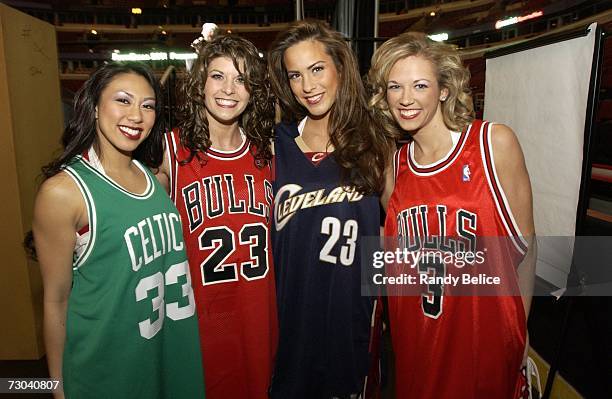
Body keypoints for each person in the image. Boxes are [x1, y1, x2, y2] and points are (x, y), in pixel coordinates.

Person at [368, 32, 536, 398]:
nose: (406, 98)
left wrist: (519, 329)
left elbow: (525, 249)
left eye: (420, 85)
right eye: (395, 86)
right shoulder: (393, 167)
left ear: (444, 90)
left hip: (482, 344)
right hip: (417, 344)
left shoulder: (493, 144)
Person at [28, 63, 205, 398]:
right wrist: (57, 388)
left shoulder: (149, 176)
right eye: (123, 100)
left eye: (148, 105)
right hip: (105, 371)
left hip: (161, 356)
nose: (136, 115)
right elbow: (56, 301)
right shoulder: (64, 192)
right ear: (95, 106)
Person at [267, 20, 394, 399]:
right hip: (290, 321)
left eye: (317, 69)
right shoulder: (275, 144)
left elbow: (402, 231)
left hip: (352, 320)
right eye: (295, 75)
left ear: (340, 66)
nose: (308, 86)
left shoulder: (380, 142)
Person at [155, 32, 277, 399]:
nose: (229, 89)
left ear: (253, 90)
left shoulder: (268, 152)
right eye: (218, 76)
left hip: (258, 320)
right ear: (200, 83)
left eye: (241, 79)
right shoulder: (170, 150)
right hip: (198, 326)